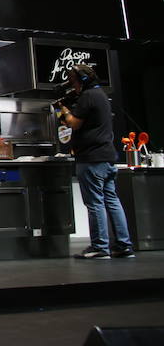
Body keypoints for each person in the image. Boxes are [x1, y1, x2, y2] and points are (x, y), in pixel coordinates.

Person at [60, 64, 135, 260]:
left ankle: (100, 247)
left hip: (92, 158)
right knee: (111, 200)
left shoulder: (87, 97)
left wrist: (63, 110)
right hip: (107, 157)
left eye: (72, 80)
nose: (71, 84)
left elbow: (74, 123)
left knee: (94, 203)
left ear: (81, 80)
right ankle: (123, 245)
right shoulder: (100, 95)